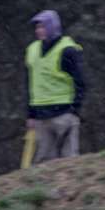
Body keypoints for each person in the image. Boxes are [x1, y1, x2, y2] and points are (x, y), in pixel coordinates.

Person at [25, 9, 87, 162]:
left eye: (42, 26)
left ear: (52, 27)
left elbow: (80, 81)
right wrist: (30, 114)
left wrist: (74, 110)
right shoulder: (32, 50)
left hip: (64, 113)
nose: (38, 30)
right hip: (41, 116)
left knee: (69, 161)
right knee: (44, 164)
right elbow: (31, 83)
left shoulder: (68, 50)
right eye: (37, 27)